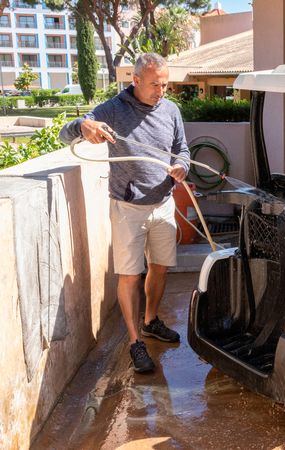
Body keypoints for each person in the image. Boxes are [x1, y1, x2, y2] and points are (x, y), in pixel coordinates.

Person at [60, 53, 190, 373]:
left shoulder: (170, 110)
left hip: (162, 204)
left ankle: (151, 321)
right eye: (154, 85)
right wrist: (82, 124)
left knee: (159, 269)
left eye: (164, 84)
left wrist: (182, 166)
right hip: (127, 207)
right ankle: (135, 343)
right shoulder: (114, 110)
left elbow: (182, 148)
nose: (161, 90)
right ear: (135, 81)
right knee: (130, 276)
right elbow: (65, 134)